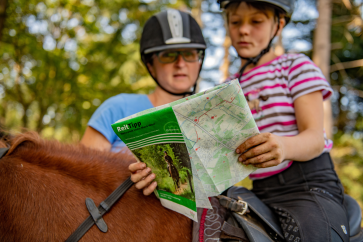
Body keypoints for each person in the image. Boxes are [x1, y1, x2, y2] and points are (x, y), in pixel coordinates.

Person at [218, 0, 349, 241]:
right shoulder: (226, 88)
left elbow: (315, 138)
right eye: (235, 22)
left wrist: (284, 146)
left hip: (308, 185)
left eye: (256, 21)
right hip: (259, 189)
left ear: (278, 25)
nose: (243, 30)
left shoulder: (295, 66)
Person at [80, 9, 206, 154]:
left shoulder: (212, 119)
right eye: (169, 55)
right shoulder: (116, 109)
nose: (180, 63)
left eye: (189, 54)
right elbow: (81, 173)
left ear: (199, 61)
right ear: (150, 65)